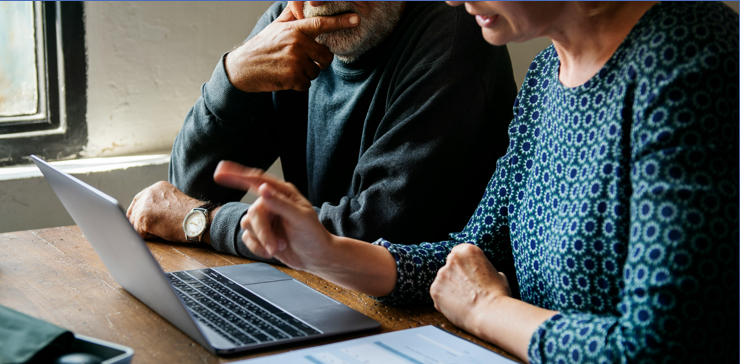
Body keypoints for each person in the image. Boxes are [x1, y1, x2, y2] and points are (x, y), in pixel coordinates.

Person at [213, 1, 739, 364]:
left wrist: (489, 309)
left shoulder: (691, 57)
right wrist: (323, 252)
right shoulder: (546, 76)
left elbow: (664, 357)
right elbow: (474, 252)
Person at [125, 1, 516, 262]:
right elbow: (194, 188)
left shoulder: (455, 40)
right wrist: (231, 79)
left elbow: (372, 237)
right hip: (319, 283)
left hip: (422, 313)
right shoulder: (294, 17)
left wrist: (203, 223)